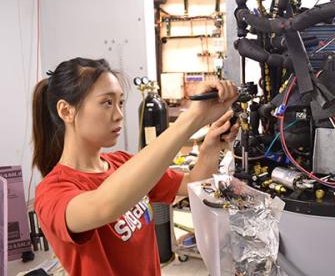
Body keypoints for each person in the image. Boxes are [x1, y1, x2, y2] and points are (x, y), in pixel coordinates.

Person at [32, 57, 239, 275]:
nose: (119, 115)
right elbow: (105, 206)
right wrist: (193, 118)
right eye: (107, 103)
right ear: (66, 111)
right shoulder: (51, 192)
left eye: (120, 102)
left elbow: (192, 184)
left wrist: (213, 145)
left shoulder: (121, 162)